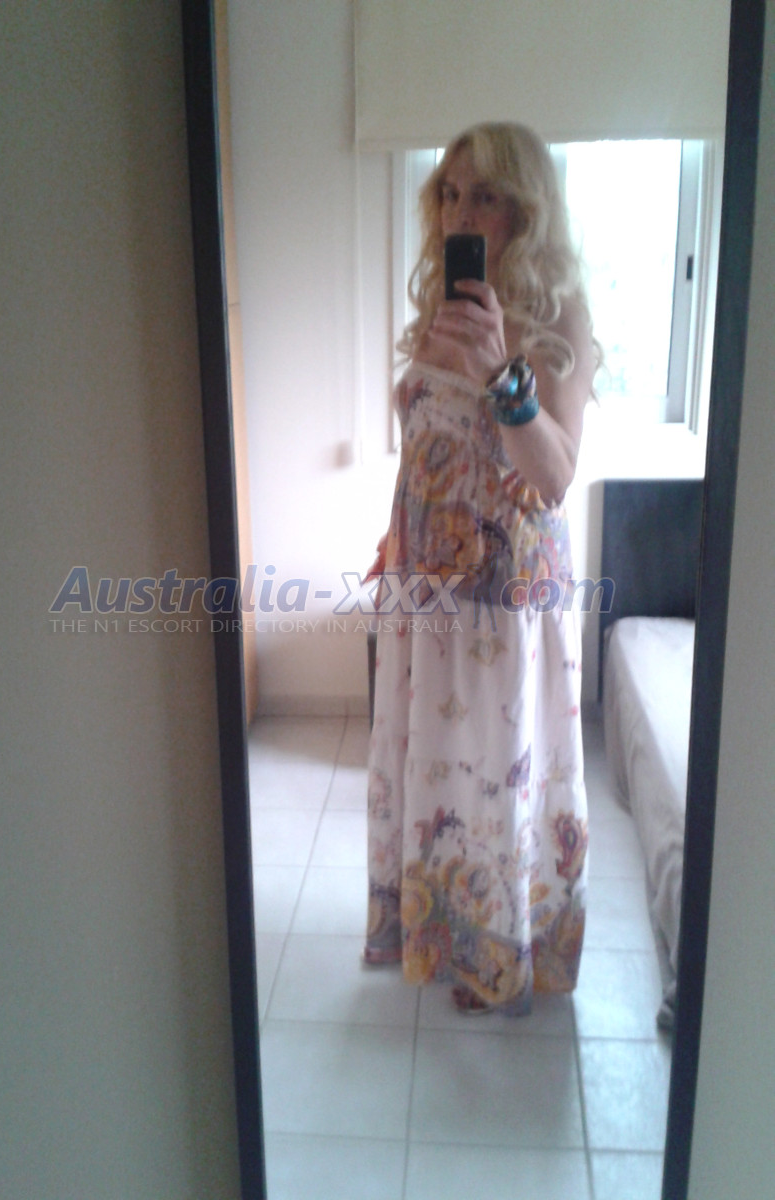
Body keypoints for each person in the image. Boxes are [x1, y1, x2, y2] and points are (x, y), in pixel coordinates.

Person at [364, 122, 599, 1015]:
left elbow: (555, 474)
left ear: (525, 210)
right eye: (451, 194)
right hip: (428, 588)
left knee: (495, 773)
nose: (462, 213)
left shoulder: (559, 317)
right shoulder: (442, 307)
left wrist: (503, 370)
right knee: (433, 768)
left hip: (504, 599)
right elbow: (424, 433)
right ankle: (437, 926)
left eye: (486, 196)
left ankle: (496, 949)